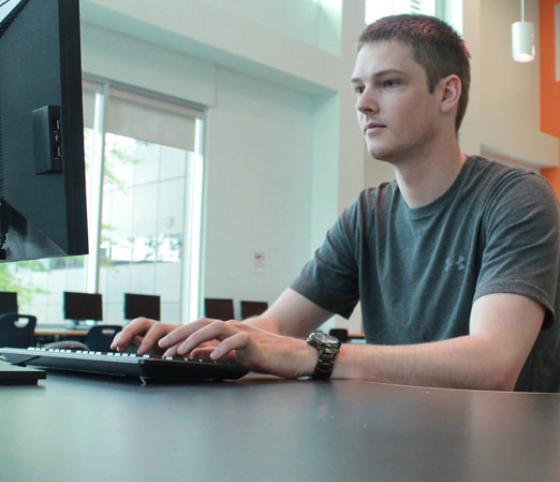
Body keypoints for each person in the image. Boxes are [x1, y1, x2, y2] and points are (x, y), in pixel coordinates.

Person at [112, 14, 560, 392]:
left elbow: (493, 363)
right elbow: (277, 326)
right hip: (405, 440)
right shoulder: (369, 214)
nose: (364, 104)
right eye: (358, 88)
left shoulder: (516, 197)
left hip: (503, 460)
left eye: (388, 83)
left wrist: (317, 356)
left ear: (446, 93)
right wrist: (200, 338)